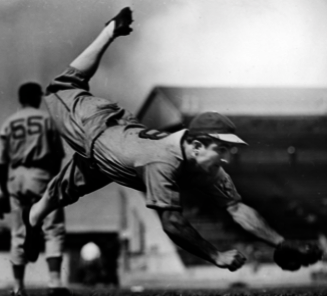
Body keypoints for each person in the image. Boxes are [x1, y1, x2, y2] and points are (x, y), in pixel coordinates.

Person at [23, 7, 320, 274]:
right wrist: (216, 256)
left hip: (112, 158)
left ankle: (33, 218)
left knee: (53, 200)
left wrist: (281, 243)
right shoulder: (162, 161)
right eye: (221, 148)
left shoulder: (210, 168)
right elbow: (172, 223)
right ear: (196, 145)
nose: (225, 157)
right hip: (94, 127)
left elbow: (237, 209)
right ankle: (109, 30)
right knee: (62, 85)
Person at [0, 83, 68, 296]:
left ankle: (19, 287)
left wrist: (3, 190)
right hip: (42, 175)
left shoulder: (9, 122)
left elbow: (1, 162)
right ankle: (55, 283)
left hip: (16, 177)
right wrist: (53, 181)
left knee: (18, 232)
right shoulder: (47, 120)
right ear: (37, 97)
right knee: (52, 227)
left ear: (21, 98)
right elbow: (58, 155)